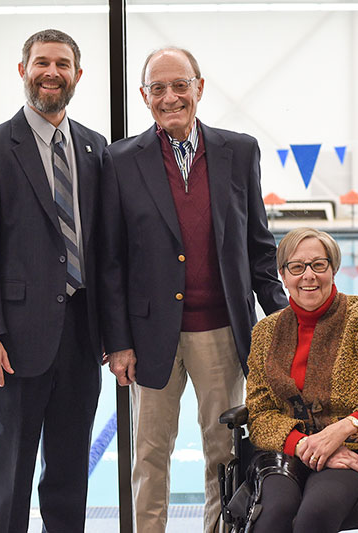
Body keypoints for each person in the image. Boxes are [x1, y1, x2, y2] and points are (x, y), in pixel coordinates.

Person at [98, 47, 288, 532]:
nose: (170, 97)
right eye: (157, 88)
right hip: (147, 337)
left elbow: (257, 243)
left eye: (180, 85)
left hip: (221, 330)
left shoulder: (238, 151)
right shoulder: (120, 160)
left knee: (222, 454)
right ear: (143, 96)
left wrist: (285, 318)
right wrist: (117, 342)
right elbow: (111, 261)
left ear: (199, 87)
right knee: (149, 456)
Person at [0, 29, 106, 532]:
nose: (52, 72)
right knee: (8, 475)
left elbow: (102, 245)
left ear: (77, 76)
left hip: (82, 338)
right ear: (23, 70)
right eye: (42, 62)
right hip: (15, 343)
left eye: (63, 64)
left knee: (68, 474)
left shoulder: (93, 147)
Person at [244, 227, 358, 533]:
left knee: (316, 515)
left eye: (318, 265)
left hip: (357, 448)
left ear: (333, 269)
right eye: (297, 267)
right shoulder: (266, 333)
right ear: (283, 276)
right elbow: (259, 414)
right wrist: (306, 445)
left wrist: (344, 428)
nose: (308, 276)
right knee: (272, 515)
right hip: (290, 450)